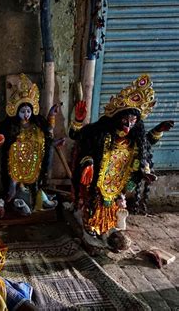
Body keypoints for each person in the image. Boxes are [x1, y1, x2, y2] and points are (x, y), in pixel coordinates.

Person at [69, 74, 174, 247]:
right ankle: (91, 227)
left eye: (132, 121)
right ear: (116, 118)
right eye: (124, 120)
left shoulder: (134, 139)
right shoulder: (102, 135)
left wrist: (158, 130)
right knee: (95, 204)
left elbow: (147, 142)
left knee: (116, 204)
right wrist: (87, 162)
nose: (128, 125)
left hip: (119, 179)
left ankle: (109, 228)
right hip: (98, 179)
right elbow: (77, 137)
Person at [0, 74, 60, 215]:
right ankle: (13, 196)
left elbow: (48, 132)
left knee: (35, 184)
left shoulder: (36, 124)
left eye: (28, 111)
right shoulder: (11, 126)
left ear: (32, 111)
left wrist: (51, 115)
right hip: (16, 163)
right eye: (22, 111)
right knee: (13, 186)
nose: (26, 114)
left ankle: (37, 198)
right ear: (16, 111)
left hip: (34, 161)